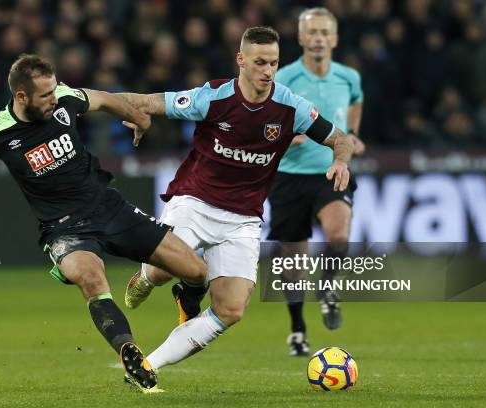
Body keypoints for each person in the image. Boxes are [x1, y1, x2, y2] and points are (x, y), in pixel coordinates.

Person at [0, 54, 207, 393]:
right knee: (91, 279)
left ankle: (180, 296)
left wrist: (139, 118)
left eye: (54, 90)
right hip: (64, 229)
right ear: (21, 97)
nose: (54, 98)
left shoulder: (64, 97)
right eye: (45, 94)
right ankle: (129, 351)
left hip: (109, 207)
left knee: (197, 272)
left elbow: (104, 98)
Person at [118, 26, 353, 374]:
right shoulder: (212, 97)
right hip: (194, 202)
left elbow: (340, 138)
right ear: (241, 60)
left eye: (273, 63)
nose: (268, 71)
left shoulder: (291, 107)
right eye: (260, 62)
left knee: (230, 310)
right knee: (163, 271)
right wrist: (114, 109)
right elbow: (150, 101)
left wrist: (340, 161)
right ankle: (147, 278)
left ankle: (148, 366)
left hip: (243, 218)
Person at [267, 8, 366, 357]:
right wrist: (281, 137)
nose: (320, 38)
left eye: (325, 32)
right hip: (289, 176)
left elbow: (355, 102)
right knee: (293, 262)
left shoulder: (349, 77)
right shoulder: (284, 79)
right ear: (302, 38)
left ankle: (326, 288)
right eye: (313, 32)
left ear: (335, 39)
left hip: (331, 171)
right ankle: (297, 329)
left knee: (339, 235)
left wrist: (351, 134)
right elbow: (267, 122)